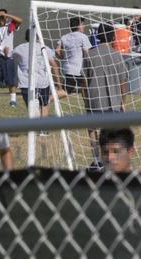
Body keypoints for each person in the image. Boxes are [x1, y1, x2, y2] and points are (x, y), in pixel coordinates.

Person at [82, 23, 131, 161]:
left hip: (95, 101)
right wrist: (123, 102)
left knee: (92, 129)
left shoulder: (90, 55)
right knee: (112, 132)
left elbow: (83, 82)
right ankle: (112, 157)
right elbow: (122, 82)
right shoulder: (117, 56)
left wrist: (86, 100)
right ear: (113, 37)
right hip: (114, 102)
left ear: (98, 35)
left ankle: (96, 159)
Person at [12, 28, 61, 121]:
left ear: (26, 37)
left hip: (26, 83)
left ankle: (37, 125)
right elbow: (54, 65)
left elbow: (10, 56)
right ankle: (43, 127)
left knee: (32, 109)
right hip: (42, 83)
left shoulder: (19, 48)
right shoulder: (44, 48)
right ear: (38, 37)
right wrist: (58, 83)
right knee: (44, 105)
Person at [56, 16, 92, 94]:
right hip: (78, 70)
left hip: (67, 69)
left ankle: (49, 98)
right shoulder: (83, 37)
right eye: (82, 24)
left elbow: (57, 50)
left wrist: (63, 58)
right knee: (85, 86)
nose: (84, 26)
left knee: (79, 86)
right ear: (78, 26)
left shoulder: (64, 37)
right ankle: (49, 98)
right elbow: (88, 53)